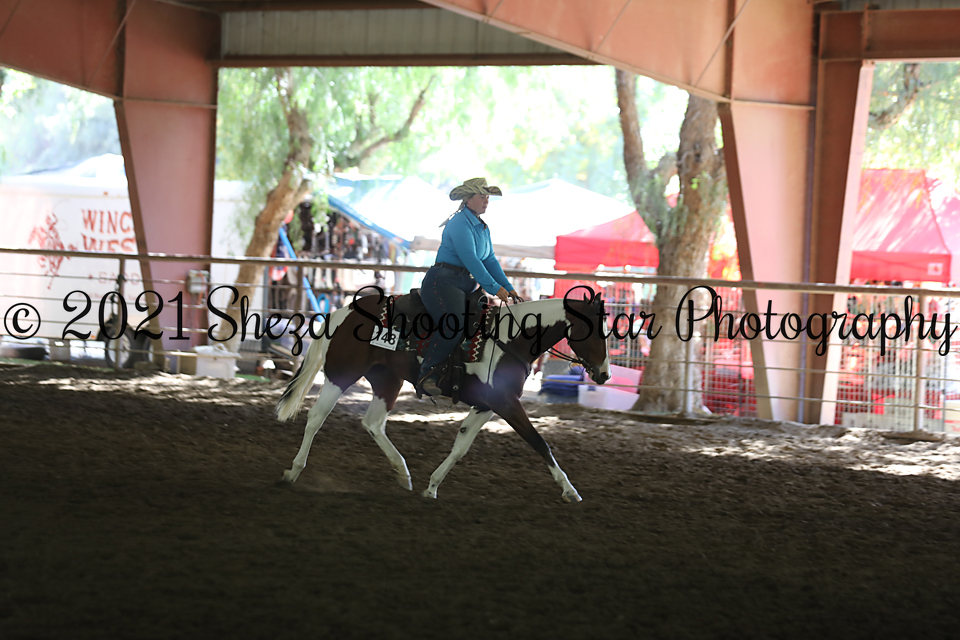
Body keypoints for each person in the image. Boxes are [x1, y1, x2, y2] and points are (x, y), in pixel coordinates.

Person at [417, 177, 523, 396]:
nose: (486, 201)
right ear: (468, 199)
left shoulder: (481, 226)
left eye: (487, 197)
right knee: (453, 324)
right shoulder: (459, 223)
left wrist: (507, 286)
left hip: (464, 283)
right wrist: (494, 287)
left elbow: (490, 259)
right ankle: (427, 374)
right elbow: (471, 259)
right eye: (482, 196)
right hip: (443, 281)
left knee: (481, 323)